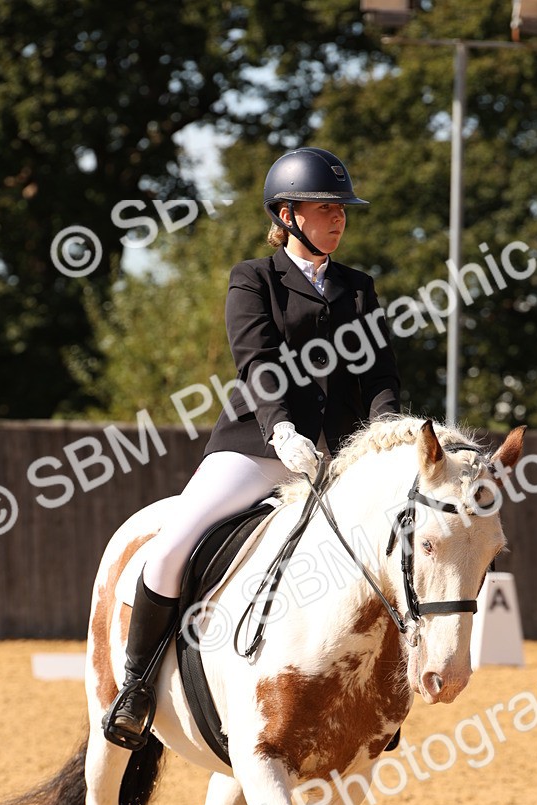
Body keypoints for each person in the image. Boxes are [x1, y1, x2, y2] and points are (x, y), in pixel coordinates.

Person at [103, 146, 401, 750]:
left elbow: (379, 376)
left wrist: (388, 436)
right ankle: (136, 686)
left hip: (340, 459)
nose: (338, 219)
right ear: (288, 215)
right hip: (259, 448)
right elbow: (259, 365)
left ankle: (378, 697)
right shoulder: (254, 278)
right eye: (325, 208)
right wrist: (282, 431)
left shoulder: (359, 289)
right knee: (169, 549)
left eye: (342, 210)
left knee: (394, 555)